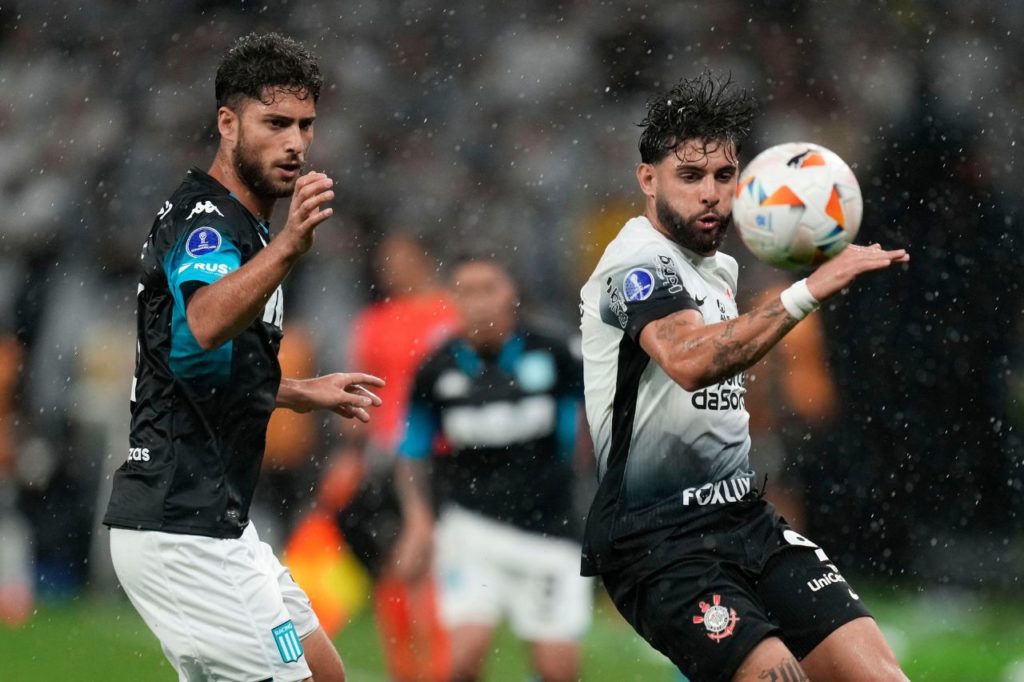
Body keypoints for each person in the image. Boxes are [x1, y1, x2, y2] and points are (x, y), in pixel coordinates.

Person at [578, 72, 910, 682]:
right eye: (690, 176)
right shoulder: (634, 266)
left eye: (724, 177)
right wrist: (806, 292)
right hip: (660, 545)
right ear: (647, 179)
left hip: (744, 520)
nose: (711, 194)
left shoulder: (718, 268)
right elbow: (688, 360)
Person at [102, 33, 384, 682]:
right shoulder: (211, 220)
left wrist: (302, 390)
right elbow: (202, 324)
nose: (296, 143)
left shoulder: (244, 228)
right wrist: (287, 247)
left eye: (306, 125)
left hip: (216, 521)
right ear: (228, 123)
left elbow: (195, 360)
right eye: (276, 123)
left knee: (326, 673)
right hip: (180, 527)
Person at [394, 253, 593, 682]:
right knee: (462, 659)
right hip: (471, 527)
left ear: (511, 295)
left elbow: (599, 421)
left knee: (558, 670)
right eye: (467, 291)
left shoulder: (554, 351)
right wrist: (418, 520)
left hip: (550, 528)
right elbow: (412, 450)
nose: (478, 302)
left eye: (489, 289)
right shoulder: (436, 367)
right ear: (452, 299)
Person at [316, 232, 458, 682]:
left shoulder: (452, 315)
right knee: (393, 565)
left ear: (424, 258)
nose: (390, 268)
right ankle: (406, 669)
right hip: (387, 458)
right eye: (385, 260)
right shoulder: (376, 321)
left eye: (398, 257)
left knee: (434, 565)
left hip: (444, 455)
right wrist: (349, 453)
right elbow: (358, 390)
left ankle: (438, 667)